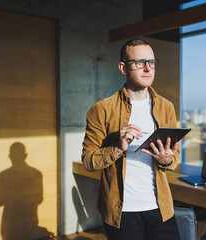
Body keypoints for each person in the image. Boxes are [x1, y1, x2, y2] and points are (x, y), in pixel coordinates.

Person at [81, 38, 181, 240]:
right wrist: (117, 148)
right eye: (139, 62)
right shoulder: (101, 110)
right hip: (122, 213)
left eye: (151, 62)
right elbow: (88, 161)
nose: (147, 68)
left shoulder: (166, 107)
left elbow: (173, 156)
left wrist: (166, 159)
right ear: (123, 68)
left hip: (161, 208)